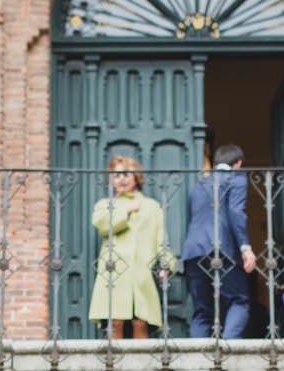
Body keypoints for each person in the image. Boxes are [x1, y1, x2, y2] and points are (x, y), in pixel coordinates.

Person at [89, 154, 172, 340]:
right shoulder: (105, 205)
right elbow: (102, 225)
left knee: (140, 321)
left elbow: (161, 239)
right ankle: (112, 366)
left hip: (141, 269)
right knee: (115, 320)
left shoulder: (152, 206)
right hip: (114, 269)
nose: (121, 179)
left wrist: (167, 264)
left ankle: (143, 368)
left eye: (126, 174)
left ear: (135, 177)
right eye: (116, 176)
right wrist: (125, 209)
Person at [180, 144, 257, 339]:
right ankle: (229, 350)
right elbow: (236, 212)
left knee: (201, 311)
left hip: (193, 251)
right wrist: (246, 248)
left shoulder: (199, 184)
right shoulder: (237, 178)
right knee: (239, 300)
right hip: (221, 248)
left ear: (216, 163)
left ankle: (197, 359)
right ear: (238, 163)